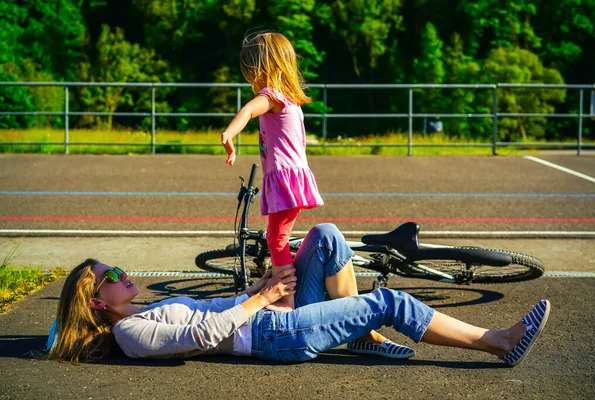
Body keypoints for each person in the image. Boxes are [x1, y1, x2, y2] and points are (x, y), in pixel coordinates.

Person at [46, 224, 550, 367]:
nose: (121, 271)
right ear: (96, 301)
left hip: (266, 316)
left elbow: (211, 310)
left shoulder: (143, 308)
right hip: (274, 336)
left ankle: (362, 334)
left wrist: (257, 288)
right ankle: (499, 342)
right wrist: (261, 304)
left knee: (326, 235)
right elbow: (199, 337)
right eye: (109, 272)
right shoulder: (132, 332)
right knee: (390, 300)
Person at [220, 31, 324, 311]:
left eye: (250, 71)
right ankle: (283, 283)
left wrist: (229, 133)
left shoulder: (272, 95)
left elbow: (247, 111)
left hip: (284, 176)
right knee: (277, 237)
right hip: (293, 175)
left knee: (275, 239)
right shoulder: (289, 96)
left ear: (261, 68)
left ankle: (287, 298)